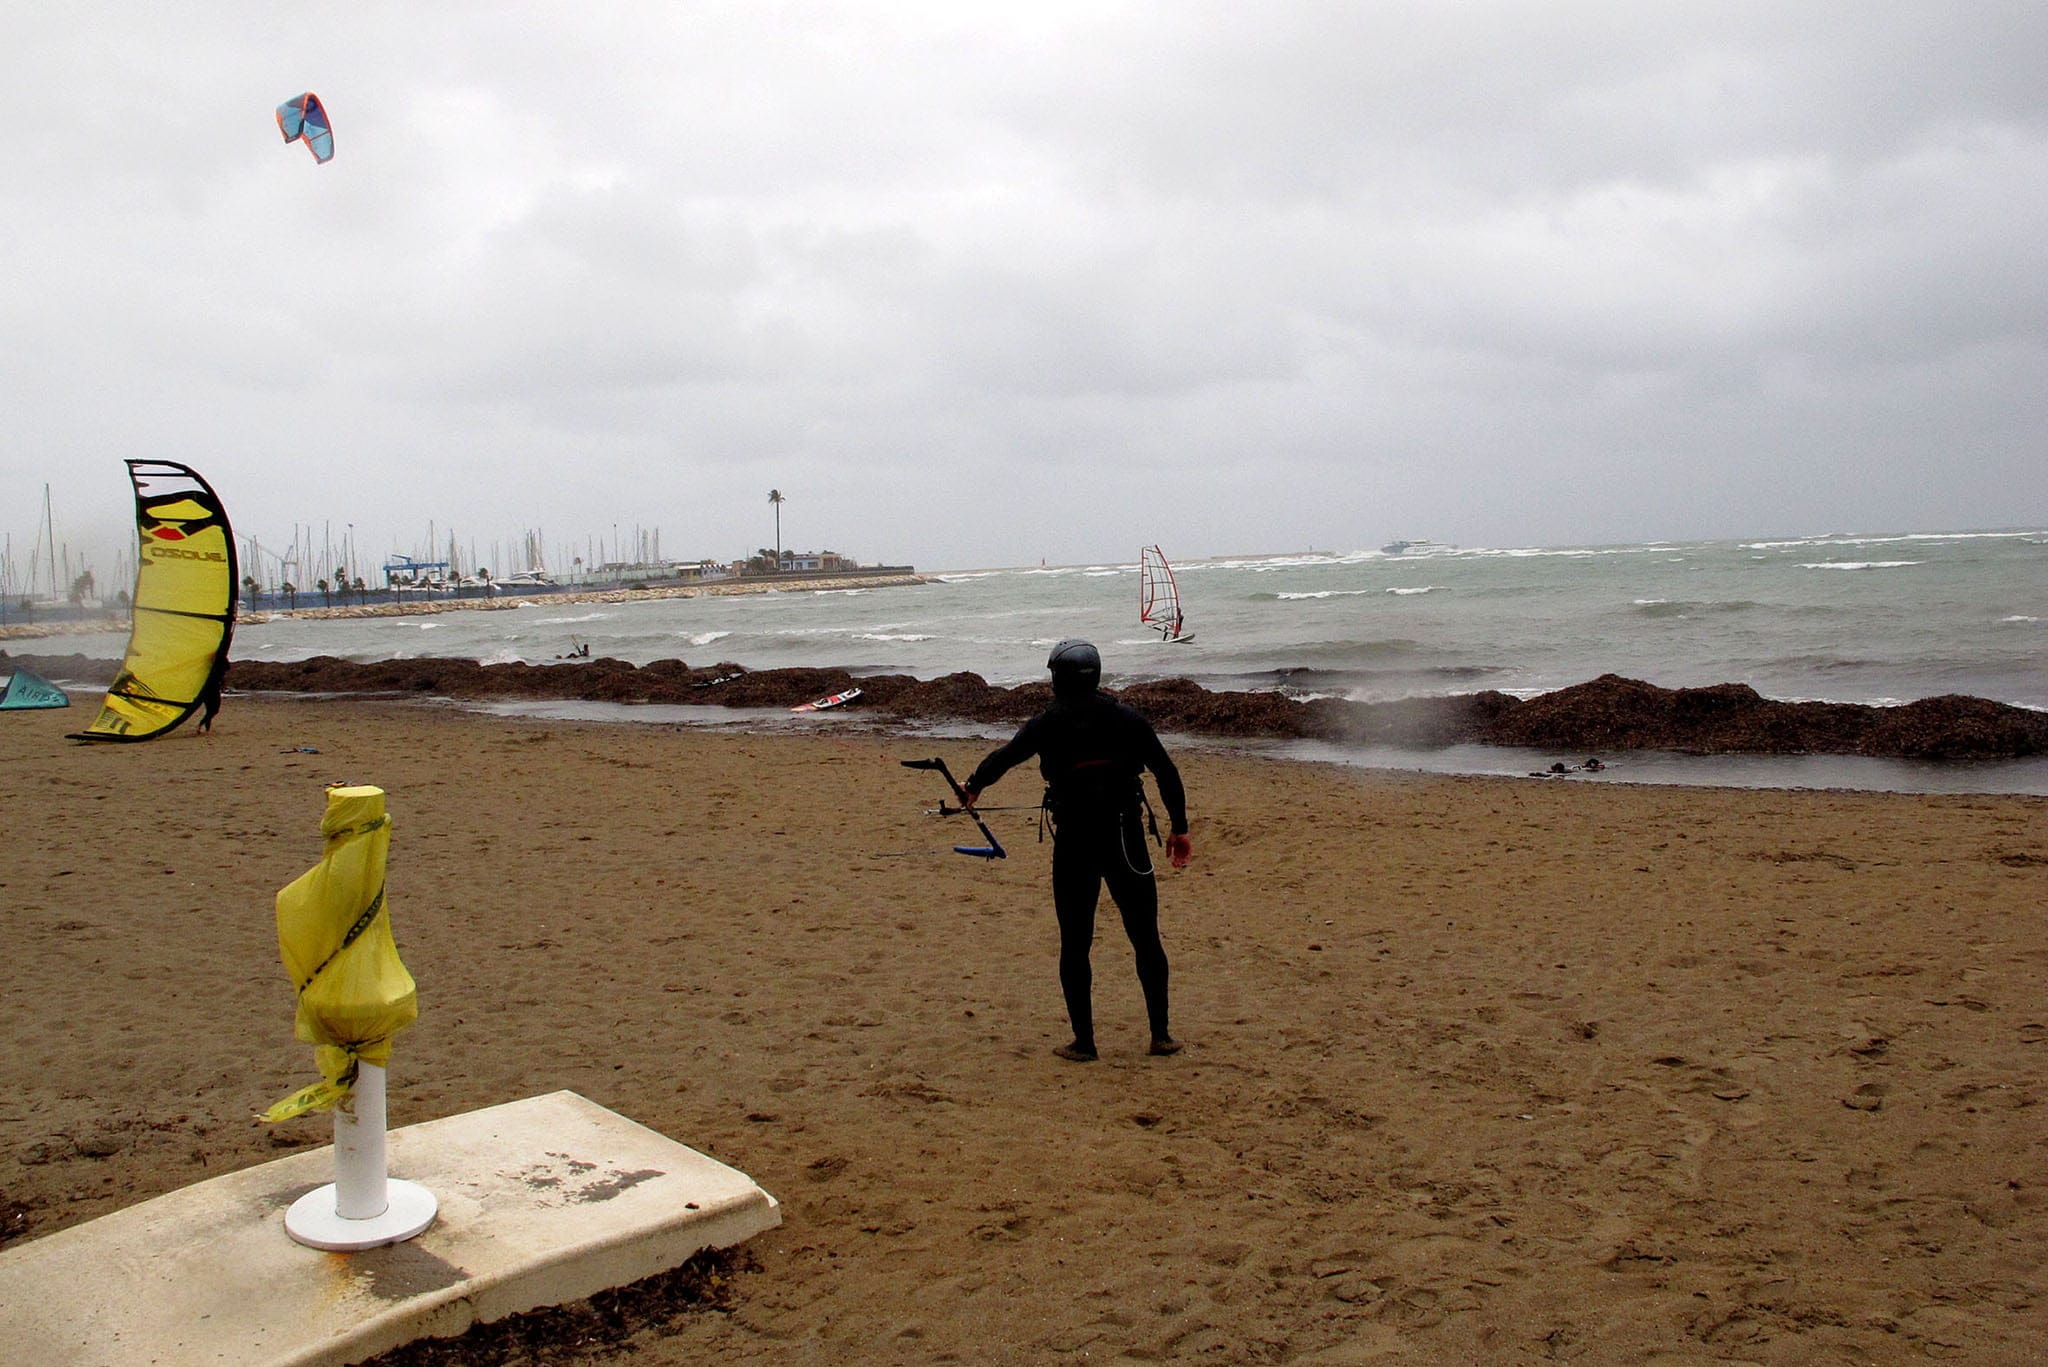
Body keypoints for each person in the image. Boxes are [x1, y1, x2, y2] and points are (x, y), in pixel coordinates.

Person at [962, 640, 1192, 1062]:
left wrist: (973, 786)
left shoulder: (1048, 722)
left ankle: (1084, 1043)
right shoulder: (1127, 719)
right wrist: (1179, 828)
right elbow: (1166, 772)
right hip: (1125, 839)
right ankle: (1160, 1036)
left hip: (1076, 842)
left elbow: (1006, 757)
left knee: (1075, 943)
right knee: (1145, 937)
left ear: (1058, 679)